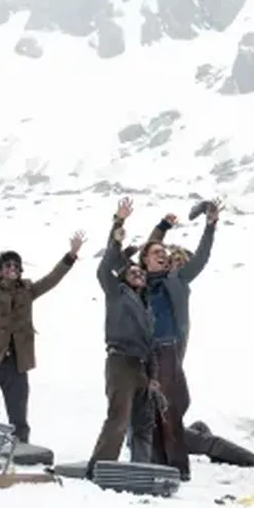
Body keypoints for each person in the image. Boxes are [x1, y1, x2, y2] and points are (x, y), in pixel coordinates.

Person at [0, 215, 83, 445]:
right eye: (7, 265)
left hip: (18, 365)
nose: (13, 268)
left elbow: (52, 279)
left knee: (19, 417)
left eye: (16, 265)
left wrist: (70, 256)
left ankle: (20, 452)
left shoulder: (28, 291)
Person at [136, 203, 219, 479]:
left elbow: (202, 257)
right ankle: (155, 461)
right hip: (145, 352)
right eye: (158, 254)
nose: (163, 255)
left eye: (165, 254)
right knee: (149, 409)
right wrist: (162, 227)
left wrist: (210, 226)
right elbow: (150, 247)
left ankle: (178, 468)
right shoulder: (140, 280)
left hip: (169, 349)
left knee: (172, 408)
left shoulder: (177, 279)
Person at [89, 200, 157, 466]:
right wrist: (118, 224)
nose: (138, 273)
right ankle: (101, 466)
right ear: (123, 277)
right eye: (132, 270)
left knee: (143, 422)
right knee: (118, 417)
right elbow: (107, 265)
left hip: (141, 364)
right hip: (120, 361)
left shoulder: (145, 304)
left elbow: (150, 342)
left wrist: (152, 376)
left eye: (141, 271)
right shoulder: (116, 293)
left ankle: (141, 467)